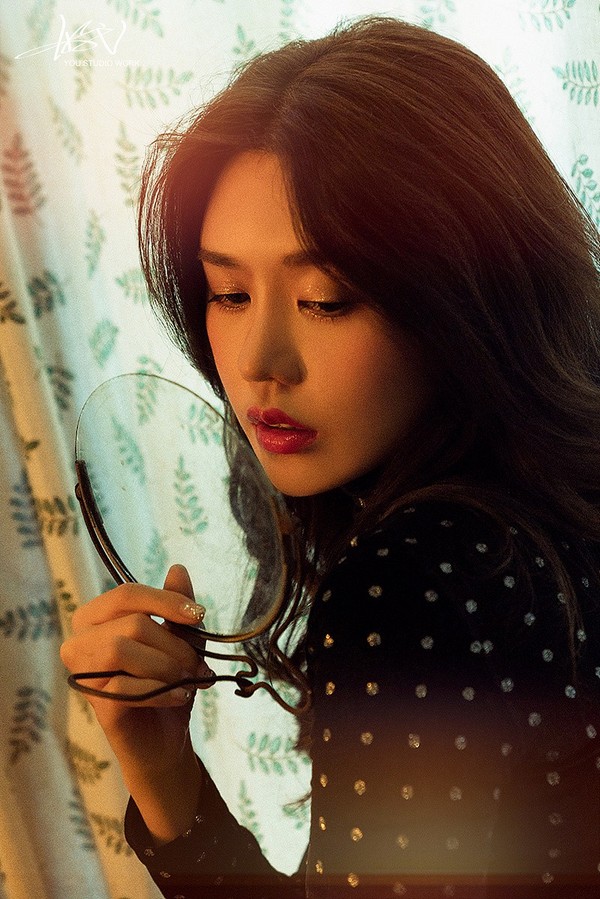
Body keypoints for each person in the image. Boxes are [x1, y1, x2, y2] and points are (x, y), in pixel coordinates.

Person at [60, 15, 600, 898]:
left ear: (464, 297)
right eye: (228, 292)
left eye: (326, 299)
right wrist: (161, 769)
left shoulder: (419, 575)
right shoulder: (552, 514)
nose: (260, 361)